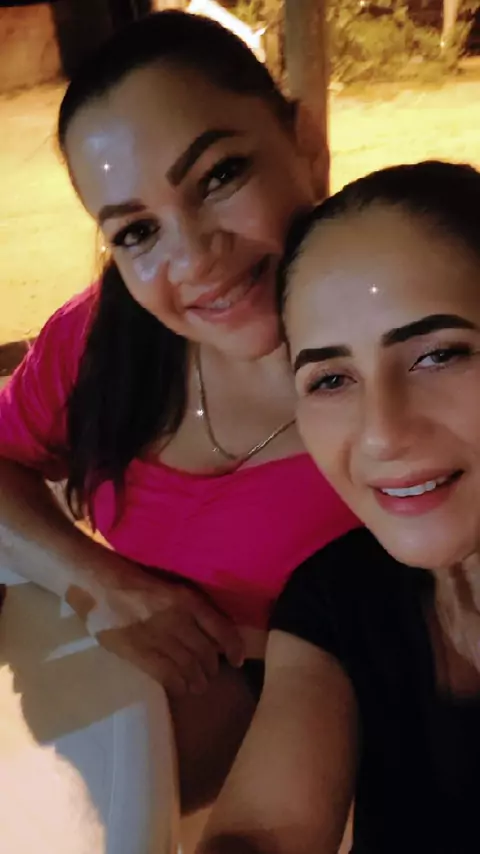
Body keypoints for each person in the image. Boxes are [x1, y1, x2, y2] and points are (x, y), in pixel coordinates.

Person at [0, 11, 357, 812]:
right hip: (119, 764)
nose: (193, 257)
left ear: (305, 142)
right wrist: (99, 582)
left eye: (220, 176)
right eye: (136, 231)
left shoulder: (412, 358)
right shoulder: (103, 339)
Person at [198, 161, 480, 853]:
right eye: (330, 379)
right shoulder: (336, 600)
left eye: (440, 355)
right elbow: (262, 834)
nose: (382, 433)